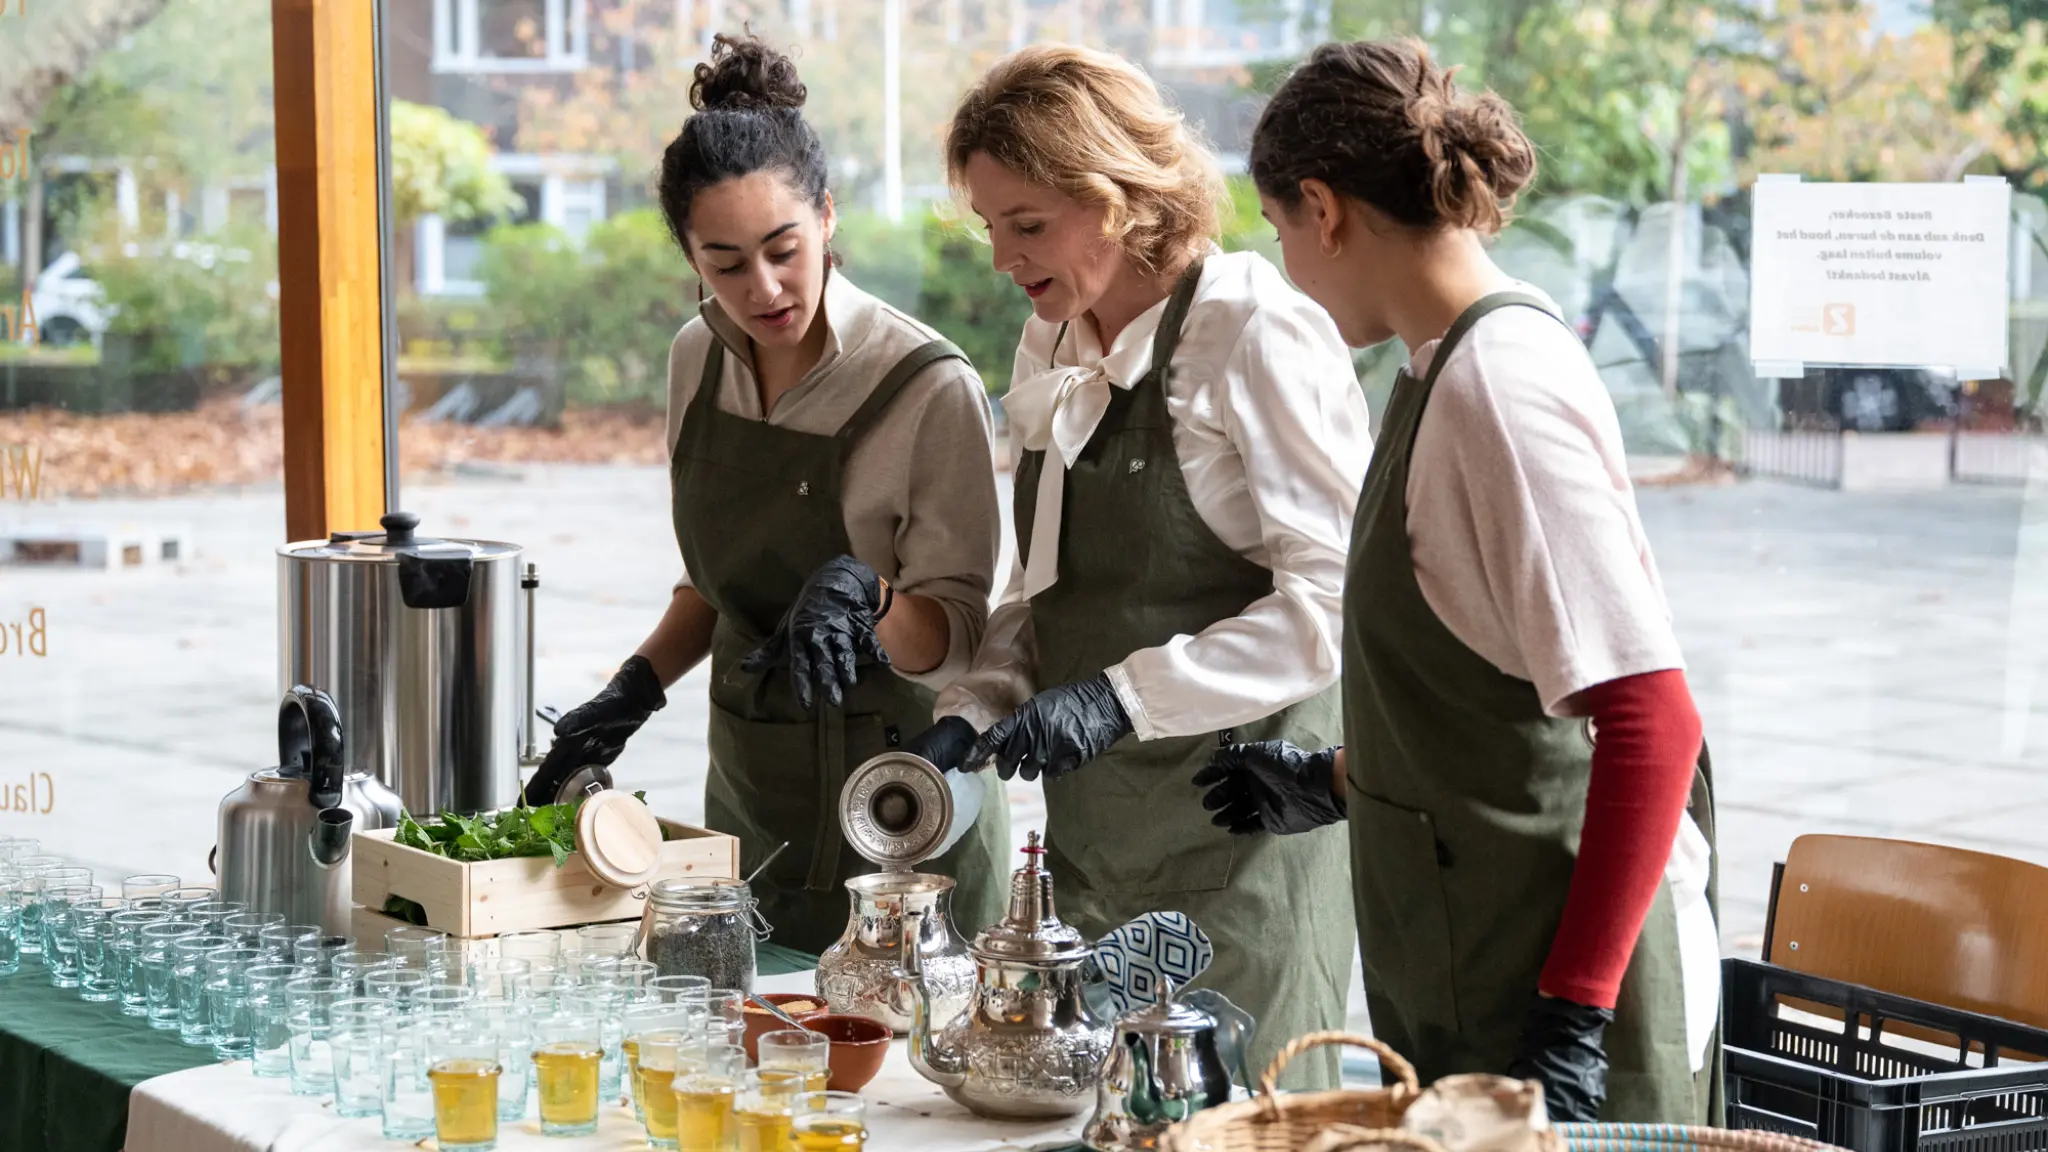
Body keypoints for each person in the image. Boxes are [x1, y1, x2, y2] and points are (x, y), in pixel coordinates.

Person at [1196, 38, 1721, 1123]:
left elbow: (1653, 721)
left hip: (1561, 984)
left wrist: (1572, 1016)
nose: (1287, 267)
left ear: (1322, 210)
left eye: (1279, 232)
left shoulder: (1500, 389)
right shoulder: (1434, 366)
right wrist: (1340, 779)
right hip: (1474, 953)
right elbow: (1494, 680)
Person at [901, 43, 1374, 1089]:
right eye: (989, 226)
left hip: (1238, 856)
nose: (1002, 257)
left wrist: (1116, 699)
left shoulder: (1252, 333)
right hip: (1093, 855)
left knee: (1233, 1128)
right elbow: (1046, 588)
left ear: (1118, 196)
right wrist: (976, 705)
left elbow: (1335, 606)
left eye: (1027, 225)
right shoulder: (1052, 344)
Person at [522, 33, 1011, 953]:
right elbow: (719, 580)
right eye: (726, 263)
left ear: (826, 216)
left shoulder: (926, 386)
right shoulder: (696, 361)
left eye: (784, 249)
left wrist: (867, 595)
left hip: (901, 808)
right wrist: (632, 690)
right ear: (690, 257)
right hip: (750, 791)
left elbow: (961, 641)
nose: (765, 287)